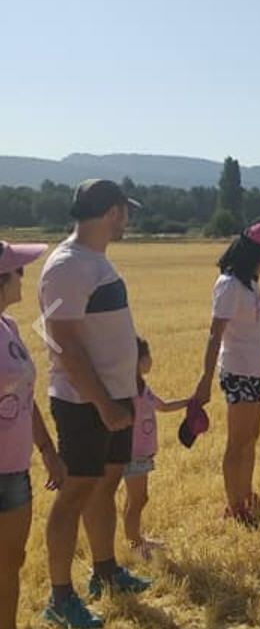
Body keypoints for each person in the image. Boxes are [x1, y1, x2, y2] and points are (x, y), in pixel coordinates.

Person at [38, 179, 149, 628]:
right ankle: (60, 597)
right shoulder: (66, 265)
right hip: (85, 403)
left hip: (112, 397)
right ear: (113, 212)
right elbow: (61, 343)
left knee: (106, 484)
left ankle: (106, 571)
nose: (127, 221)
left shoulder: (94, 261)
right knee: (75, 493)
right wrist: (103, 404)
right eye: (126, 213)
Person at [192, 223, 260, 525]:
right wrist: (205, 379)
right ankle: (235, 506)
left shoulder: (250, 283)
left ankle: (245, 495)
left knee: (251, 438)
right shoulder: (229, 285)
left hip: (256, 372)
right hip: (239, 373)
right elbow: (215, 334)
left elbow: (253, 330)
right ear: (254, 253)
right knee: (238, 442)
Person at [0, 241, 65, 629]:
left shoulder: (8, 327)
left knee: (11, 563)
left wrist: (47, 450)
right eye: (19, 271)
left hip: (14, 471)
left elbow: (24, 396)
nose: (25, 278)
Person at [122, 338, 187, 560]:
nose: (150, 360)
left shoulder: (143, 388)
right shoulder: (127, 391)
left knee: (135, 499)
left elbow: (164, 406)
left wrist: (190, 402)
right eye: (146, 356)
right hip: (132, 453)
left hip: (142, 452)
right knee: (138, 499)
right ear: (136, 361)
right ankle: (135, 545)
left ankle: (135, 538)